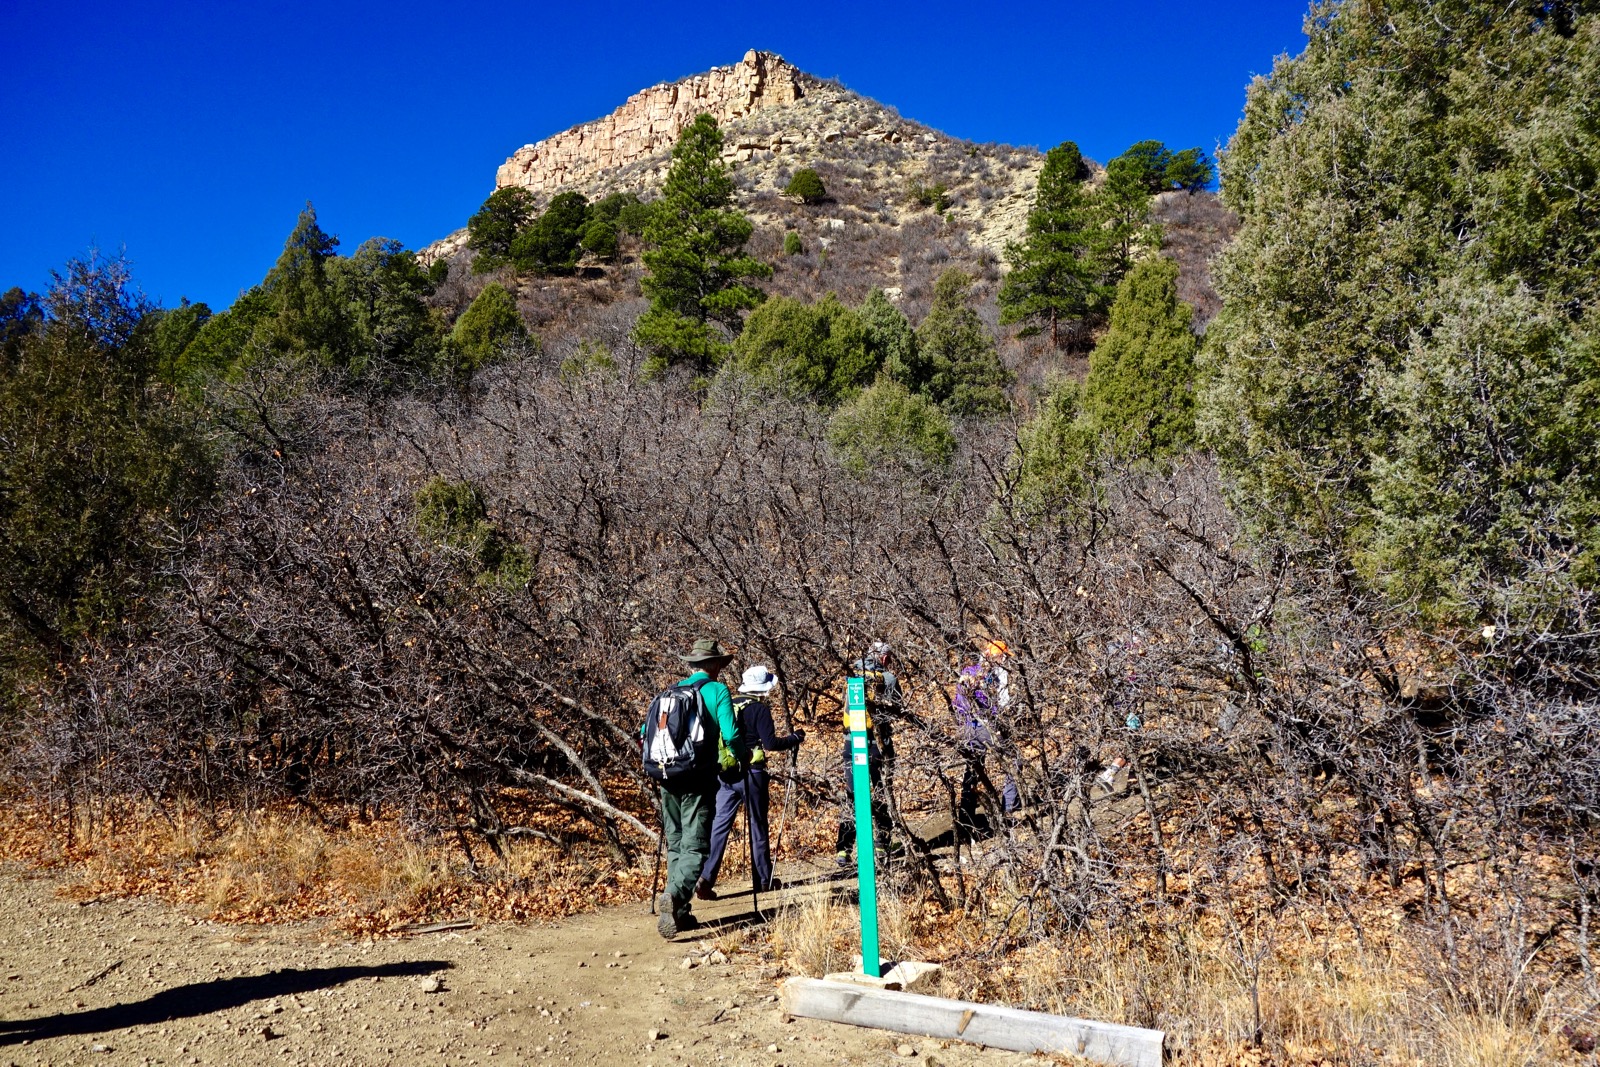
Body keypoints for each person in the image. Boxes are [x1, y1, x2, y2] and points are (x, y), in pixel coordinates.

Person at [651, 637, 741, 939]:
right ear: (715, 665)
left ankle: (679, 913)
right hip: (698, 778)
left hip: (666, 775)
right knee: (697, 846)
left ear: (692, 665)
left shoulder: (671, 692)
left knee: (676, 844)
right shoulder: (717, 691)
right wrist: (742, 760)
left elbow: (644, 733)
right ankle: (675, 895)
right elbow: (730, 735)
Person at [694, 664, 805, 898]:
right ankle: (763, 880)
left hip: (725, 774)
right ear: (762, 688)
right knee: (758, 825)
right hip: (752, 773)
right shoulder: (759, 709)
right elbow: (771, 744)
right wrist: (795, 738)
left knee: (719, 826)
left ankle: (705, 879)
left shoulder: (728, 703)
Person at [835, 640, 898, 867]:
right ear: (883, 657)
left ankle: (844, 850)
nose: (890, 662)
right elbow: (897, 708)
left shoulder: (850, 678)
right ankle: (882, 844)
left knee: (852, 795)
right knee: (881, 792)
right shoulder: (888, 679)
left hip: (850, 744)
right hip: (878, 745)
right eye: (889, 658)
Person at [954, 639, 1020, 836]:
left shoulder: (968, 671)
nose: (1006, 660)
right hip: (984, 727)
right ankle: (1008, 808)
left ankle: (966, 816)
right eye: (1004, 656)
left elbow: (957, 703)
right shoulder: (988, 676)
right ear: (995, 656)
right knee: (1015, 760)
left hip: (966, 727)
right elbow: (999, 704)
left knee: (973, 769)